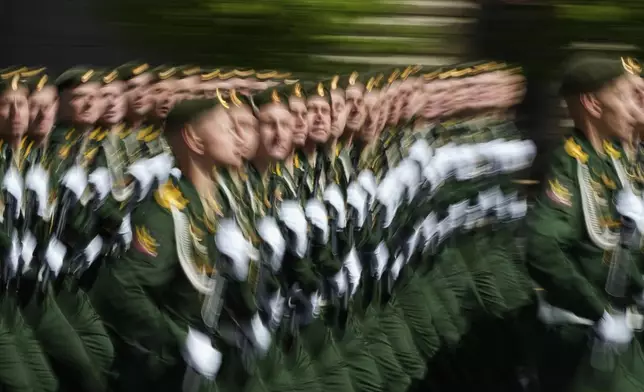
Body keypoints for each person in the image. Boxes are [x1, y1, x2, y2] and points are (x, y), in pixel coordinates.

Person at [91, 96, 244, 392]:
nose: (240, 137)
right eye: (228, 128)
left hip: (200, 365)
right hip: (162, 373)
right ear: (194, 139)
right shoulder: (166, 211)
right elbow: (119, 290)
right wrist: (181, 339)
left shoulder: (217, 204)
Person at [526, 55, 644, 392]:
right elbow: (543, 248)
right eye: (623, 97)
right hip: (586, 342)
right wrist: (599, 312)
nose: (631, 108)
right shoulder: (570, 165)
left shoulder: (610, 161)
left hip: (620, 335)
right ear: (593, 104)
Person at [0, 66, 59, 392]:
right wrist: (9, 242)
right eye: (6, 104)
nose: (16, 113)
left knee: (45, 383)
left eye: (21, 104)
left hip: (14, 292)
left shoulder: (20, 158)